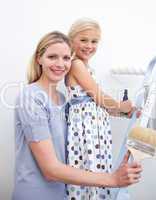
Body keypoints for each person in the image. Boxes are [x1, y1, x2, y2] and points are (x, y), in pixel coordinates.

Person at [12, 31, 142, 200]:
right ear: (39, 59)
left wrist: (128, 112)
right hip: (35, 194)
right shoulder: (31, 97)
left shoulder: (64, 101)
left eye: (66, 58)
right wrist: (112, 179)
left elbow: (88, 117)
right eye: (52, 57)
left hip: (64, 194)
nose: (60, 64)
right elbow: (50, 170)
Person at [65, 18, 141, 199]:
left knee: (98, 166)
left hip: (96, 132)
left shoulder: (87, 67)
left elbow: (97, 104)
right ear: (71, 40)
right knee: (89, 168)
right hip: (85, 132)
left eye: (94, 41)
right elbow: (99, 97)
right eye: (83, 40)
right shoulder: (76, 64)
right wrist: (120, 105)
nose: (89, 45)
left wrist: (125, 112)